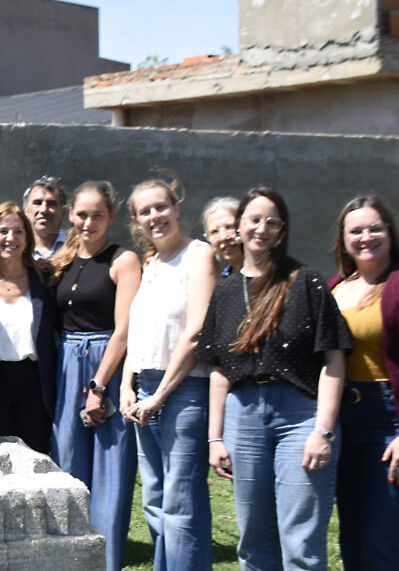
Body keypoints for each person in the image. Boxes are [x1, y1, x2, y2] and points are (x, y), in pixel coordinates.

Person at [197, 186, 350, 570]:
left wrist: (324, 430)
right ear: (239, 227)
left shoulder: (306, 282)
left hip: (301, 417)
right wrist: (216, 436)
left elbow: (333, 358)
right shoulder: (226, 292)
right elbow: (218, 370)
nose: (261, 228)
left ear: (282, 232)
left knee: (301, 543)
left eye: (272, 222)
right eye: (254, 219)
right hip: (243, 418)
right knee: (254, 542)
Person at [117, 179, 218, 571]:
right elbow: (137, 333)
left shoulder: (199, 256)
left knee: (182, 504)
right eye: (145, 211)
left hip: (183, 391)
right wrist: (127, 385)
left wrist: (158, 396)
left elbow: (195, 333)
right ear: (136, 220)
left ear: (177, 207)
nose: (154, 216)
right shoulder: (150, 264)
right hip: (143, 388)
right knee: (155, 502)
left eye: (161, 206)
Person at [47, 179, 141, 571]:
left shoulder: (123, 260)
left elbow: (124, 329)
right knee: (66, 462)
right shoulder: (62, 260)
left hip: (107, 364)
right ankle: (70, 557)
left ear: (111, 217)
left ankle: (106, 561)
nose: (88, 222)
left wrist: (99, 386)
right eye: (81, 215)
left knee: (110, 470)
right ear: (70, 215)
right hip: (67, 362)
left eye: (97, 215)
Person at [327, 195, 399, 570]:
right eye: (356, 230)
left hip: (392, 419)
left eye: (375, 228)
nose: (366, 237)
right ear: (343, 238)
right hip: (345, 424)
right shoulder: (334, 287)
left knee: (382, 535)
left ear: (389, 232)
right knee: (351, 533)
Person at [0, 202, 58, 453]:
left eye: (18, 231)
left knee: (36, 461)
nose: (11, 238)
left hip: (33, 384)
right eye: (3, 231)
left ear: (28, 238)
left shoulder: (43, 279)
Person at [24, 175, 68, 260]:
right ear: (26, 211)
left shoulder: (76, 250)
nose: (43, 210)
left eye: (51, 203)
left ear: (63, 213)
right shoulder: (17, 251)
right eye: (37, 203)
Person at [202, 196, 243, 277]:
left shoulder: (269, 272)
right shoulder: (222, 281)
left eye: (230, 227)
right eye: (215, 232)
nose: (223, 237)